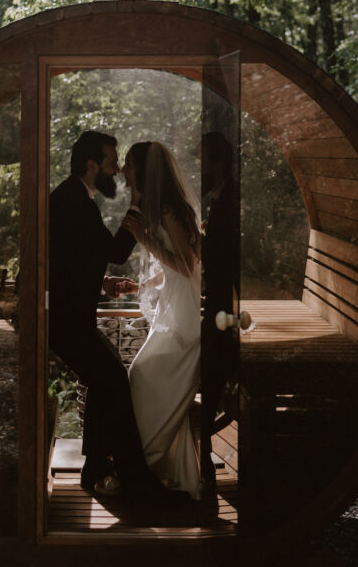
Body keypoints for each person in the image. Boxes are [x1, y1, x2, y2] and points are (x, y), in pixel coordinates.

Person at [48, 130, 177, 505]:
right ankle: (135, 480)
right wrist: (136, 204)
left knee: (107, 379)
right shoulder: (73, 200)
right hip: (62, 320)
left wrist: (102, 283)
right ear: (91, 166)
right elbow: (116, 250)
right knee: (114, 380)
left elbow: (70, 259)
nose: (117, 171)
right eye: (110, 163)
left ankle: (96, 469)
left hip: (68, 315)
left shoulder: (74, 196)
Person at [120, 141, 203, 500]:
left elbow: (187, 267)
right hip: (173, 316)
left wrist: (144, 240)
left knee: (140, 377)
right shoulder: (162, 208)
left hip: (184, 323)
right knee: (142, 380)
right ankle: (164, 470)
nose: (124, 171)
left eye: (129, 164)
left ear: (144, 170)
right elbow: (171, 270)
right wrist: (140, 284)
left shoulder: (170, 209)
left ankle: (143, 465)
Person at [200, 130, 239, 484]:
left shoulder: (231, 200)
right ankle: (201, 448)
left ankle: (200, 448)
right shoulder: (219, 197)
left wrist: (196, 239)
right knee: (211, 368)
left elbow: (221, 256)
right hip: (218, 300)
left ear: (219, 164)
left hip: (228, 303)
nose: (199, 167)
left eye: (204, 160)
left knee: (213, 368)